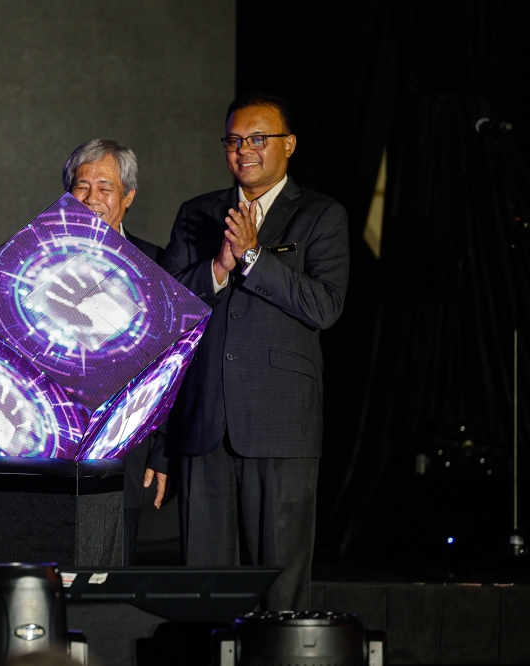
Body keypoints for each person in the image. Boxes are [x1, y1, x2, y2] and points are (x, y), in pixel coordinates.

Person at [162, 93, 349, 610]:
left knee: (280, 590)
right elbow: (170, 308)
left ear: (288, 145)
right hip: (206, 423)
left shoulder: (320, 215)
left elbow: (325, 306)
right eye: (234, 140)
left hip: (280, 424)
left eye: (257, 139)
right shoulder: (198, 212)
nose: (244, 150)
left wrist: (253, 258)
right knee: (205, 590)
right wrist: (218, 270)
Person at [62, 138, 169, 564]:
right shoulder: (31, 257)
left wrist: (162, 450)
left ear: (128, 196)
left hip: (125, 453)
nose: (91, 199)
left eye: (104, 188)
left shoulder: (158, 266)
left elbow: (175, 367)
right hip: (51, 456)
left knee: (111, 578)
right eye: (80, 186)